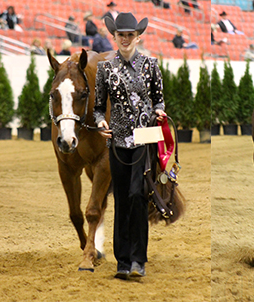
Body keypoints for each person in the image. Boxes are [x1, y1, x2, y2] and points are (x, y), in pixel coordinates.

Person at [94, 12, 166, 280]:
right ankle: (122, 262)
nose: (125, 38)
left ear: (138, 36)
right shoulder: (106, 69)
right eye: (121, 34)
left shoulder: (151, 65)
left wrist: (159, 112)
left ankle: (139, 259)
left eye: (130, 34)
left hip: (145, 137)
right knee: (122, 199)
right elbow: (99, 108)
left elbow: (159, 99)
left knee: (137, 195)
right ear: (115, 37)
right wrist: (101, 123)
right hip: (117, 141)